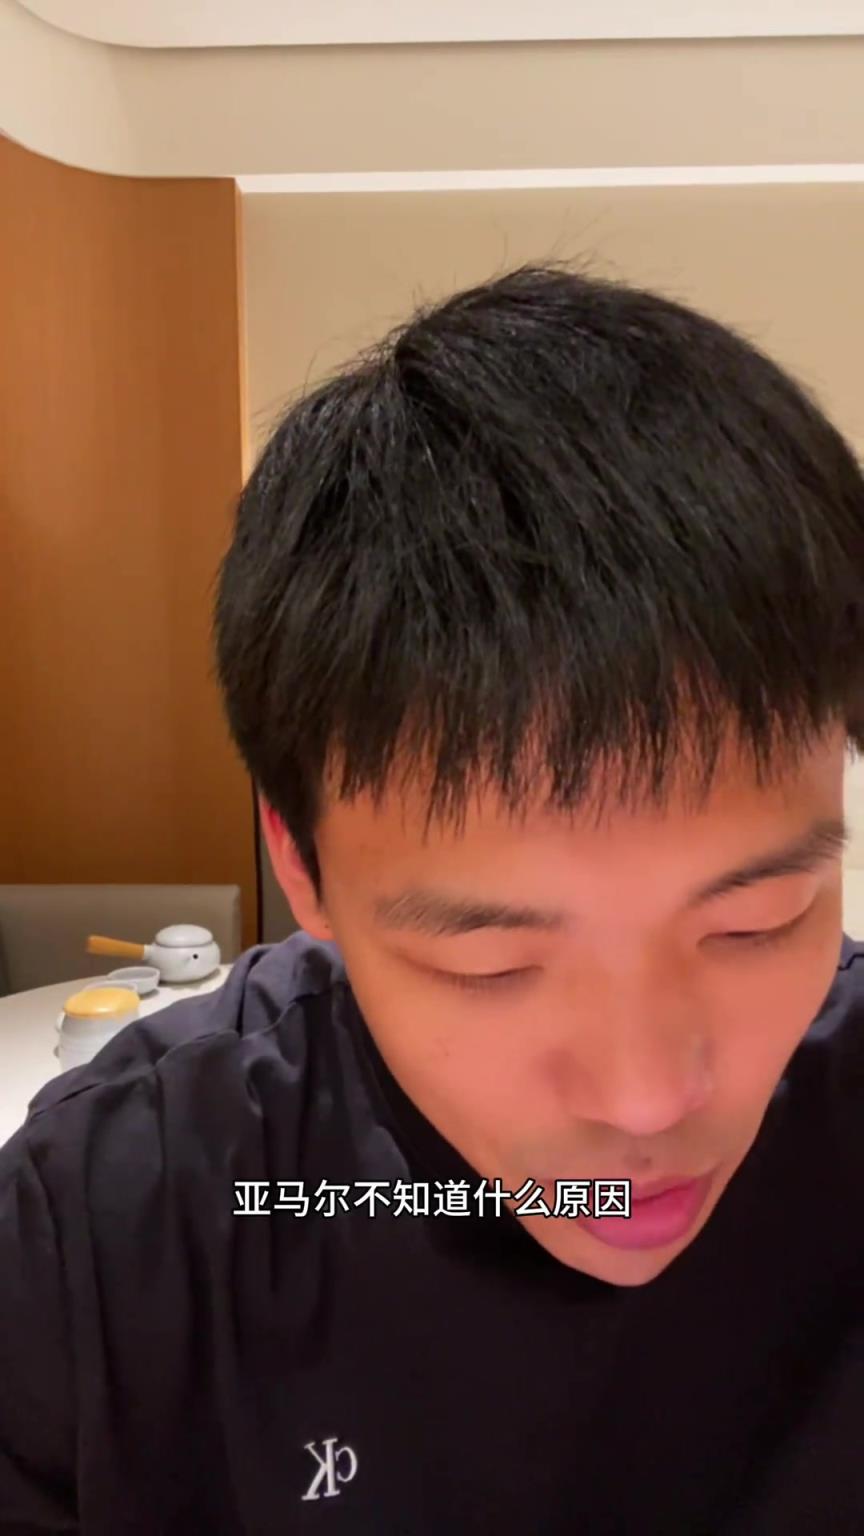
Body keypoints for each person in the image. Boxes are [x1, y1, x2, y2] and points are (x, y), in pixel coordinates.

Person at [2, 263, 864, 1535]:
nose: (644, 1097)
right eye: (491, 965)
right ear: (300, 865)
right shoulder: (115, 1229)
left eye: (757, 922)